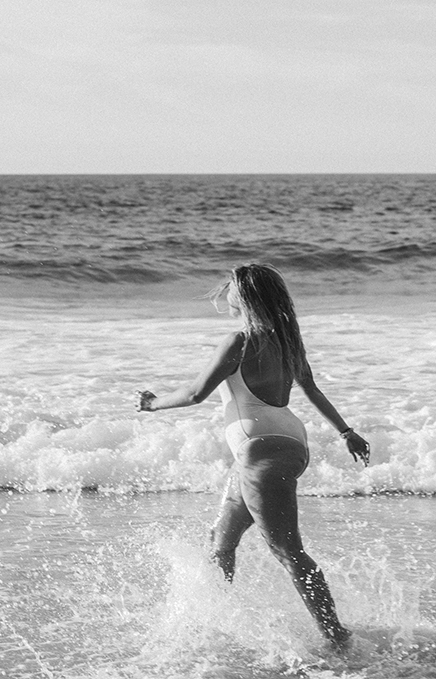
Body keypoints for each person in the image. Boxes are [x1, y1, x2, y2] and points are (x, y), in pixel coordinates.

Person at [135, 263, 370, 647]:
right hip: (289, 442)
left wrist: (153, 403)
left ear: (243, 297)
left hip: (261, 451)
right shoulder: (287, 340)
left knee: (288, 550)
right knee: (221, 540)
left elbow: (196, 394)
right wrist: (345, 431)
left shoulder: (239, 342)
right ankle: (217, 622)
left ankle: (336, 636)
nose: (224, 290)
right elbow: (310, 389)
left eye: (230, 286)